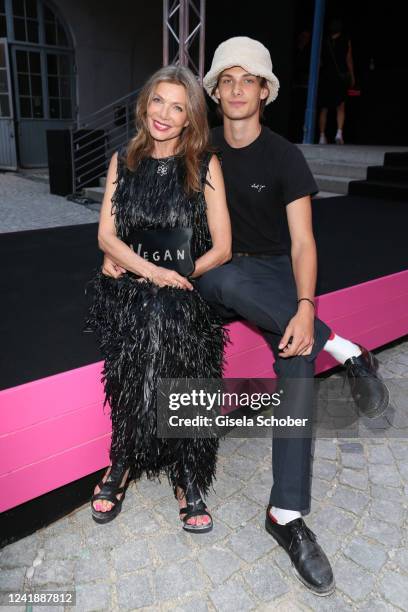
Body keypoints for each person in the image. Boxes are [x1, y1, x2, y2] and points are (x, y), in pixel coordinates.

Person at [102, 37, 388, 594]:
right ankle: (346, 350)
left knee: (297, 359)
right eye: (225, 80)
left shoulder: (284, 156)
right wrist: (114, 255)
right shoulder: (195, 144)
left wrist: (305, 308)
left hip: (276, 276)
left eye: (247, 80)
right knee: (225, 274)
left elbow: (304, 243)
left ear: (264, 91)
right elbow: (146, 203)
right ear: (213, 91)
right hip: (212, 273)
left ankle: (286, 514)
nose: (235, 89)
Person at [86, 65, 232, 533]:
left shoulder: (206, 165)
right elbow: (107, 235)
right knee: (140, 339)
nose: (164, 114)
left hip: (184, 286)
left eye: (177, 106)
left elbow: (223, 247)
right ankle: (124, 457)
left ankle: (186, 468)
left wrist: (180, 276)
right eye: (157, 102)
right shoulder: (122, 162)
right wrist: (144, 270)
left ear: (190, 117)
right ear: (144, 105)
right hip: (133, 286)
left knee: (177, 332)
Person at [318, 18, 356, 144]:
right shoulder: (346, 41)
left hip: (326, 76)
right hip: (339, 78)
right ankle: (339, 133)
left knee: (324, 107)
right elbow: (348, 59)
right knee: (341, 106)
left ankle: (322, 136)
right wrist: (352, 75)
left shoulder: (323, 41)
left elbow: (319, 61)